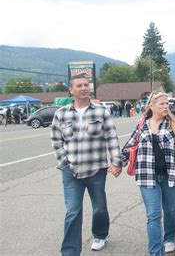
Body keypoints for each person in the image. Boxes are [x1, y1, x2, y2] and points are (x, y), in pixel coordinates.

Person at [50, 73, 122, 255]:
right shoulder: (61, 114)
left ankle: (99, 234)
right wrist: (64, 162)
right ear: (71, 90)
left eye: (86, 85)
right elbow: (56, 140)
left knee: (99, 207)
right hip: (70, 171)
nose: (84, 88)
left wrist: (116, 162)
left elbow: (111, 138)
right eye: (79, 85)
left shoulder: (101, 112)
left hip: (96, 169)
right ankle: (70, 252)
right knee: (73, 212)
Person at [121, 91, 175, 255]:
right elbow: (131, 145)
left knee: (169, 210)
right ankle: (156, 252)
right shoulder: (142, 124)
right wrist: (118, 163)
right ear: (151, 106)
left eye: (167, 104)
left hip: (170, 175)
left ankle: (169, 237)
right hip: (146, 176)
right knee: (153, 215)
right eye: (162, 104)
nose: (166, 106)